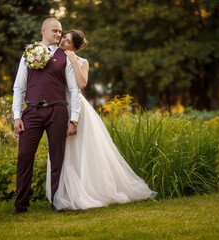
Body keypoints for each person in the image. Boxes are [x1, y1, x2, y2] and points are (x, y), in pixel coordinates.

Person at [46, 30, 156, 211]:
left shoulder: (82, 62)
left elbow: (81, 84)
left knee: (79, 151)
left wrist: (73, 60)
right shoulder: (54, 58)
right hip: (58, 107)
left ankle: (84, 192)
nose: (63, 40)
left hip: (77, 109)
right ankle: (63, 194)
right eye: (63, 37)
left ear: (75, 46)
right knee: (62, 152)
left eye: (68, 40)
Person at [11, 18, 81, 215]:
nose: (59, 35)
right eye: (55, 31)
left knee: (57, 158)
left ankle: (57, 203)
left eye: (61, 32)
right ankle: (21, 205)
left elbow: (74, 90)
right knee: (24, 157)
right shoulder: (28, 54)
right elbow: (19, 87)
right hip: (31, 112)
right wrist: (17, 116)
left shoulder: (65, 56)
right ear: (44, 30)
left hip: (57, 111)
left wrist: (73, 119)